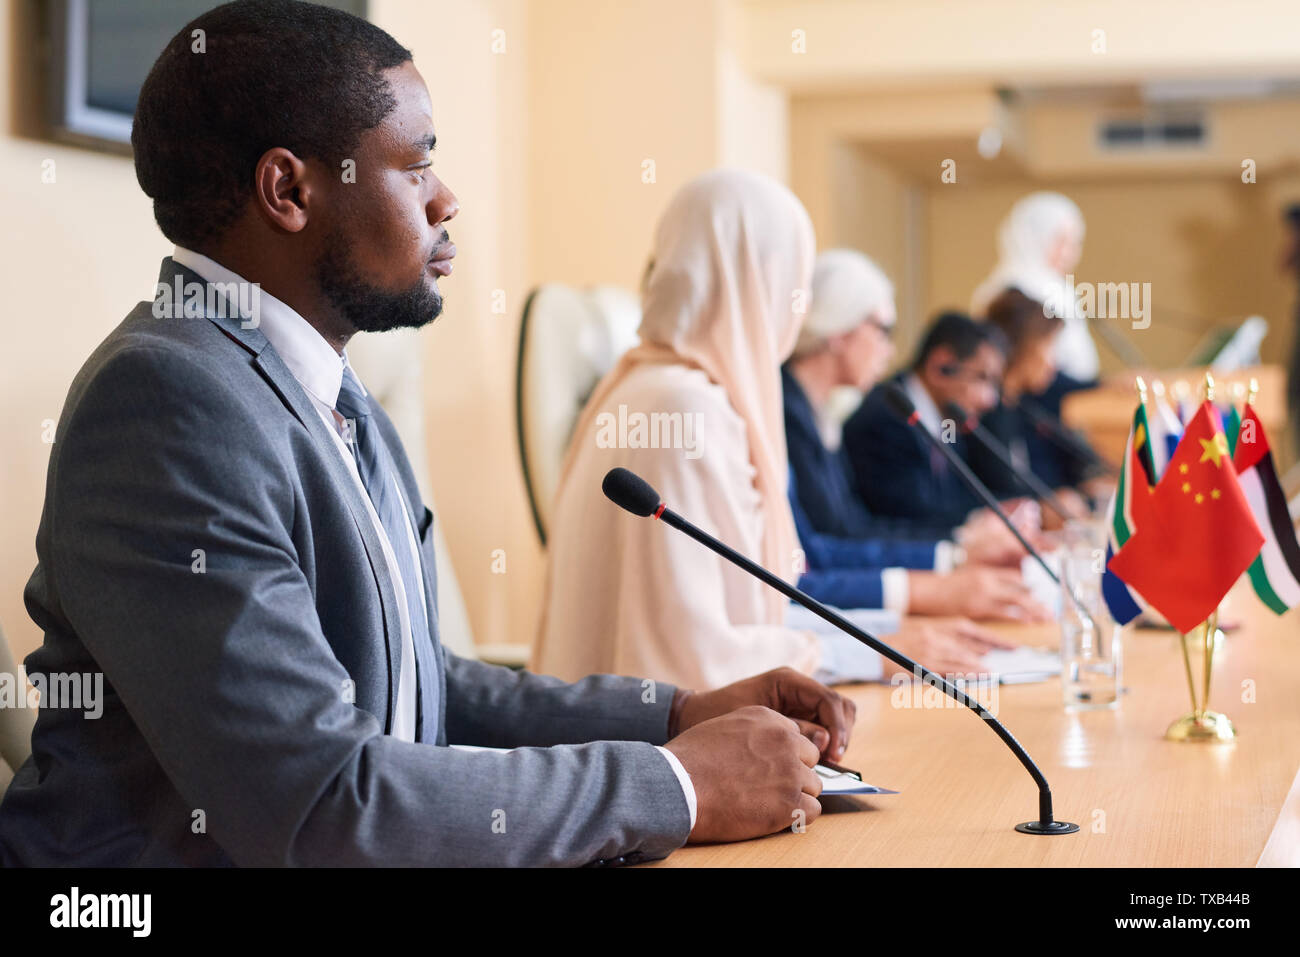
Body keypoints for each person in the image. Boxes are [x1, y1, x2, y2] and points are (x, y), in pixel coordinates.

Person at [0, 0, 858, 867]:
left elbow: (420, 681)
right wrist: (676, 784)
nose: (447, 200)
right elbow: (322, 802)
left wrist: (675, 714)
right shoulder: (165, 399)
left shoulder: (326, 381)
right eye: (416, 168)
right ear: (290, 191)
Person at [534, 171, 1015, 693]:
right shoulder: (683, 411)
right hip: (646, 753)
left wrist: (881, 642)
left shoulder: (649, 386)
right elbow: (698, 657)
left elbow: (746, 620)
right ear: (758, 279)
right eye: (795, 282)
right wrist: (871, 653)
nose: (800, 308)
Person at [784, 250, 1047, 622]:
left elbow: (847, 527)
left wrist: (955, 552)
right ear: (839, 329)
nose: (890, 351)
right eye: (884, 331)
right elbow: (818, 551)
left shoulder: (815, 411)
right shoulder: (787, 410)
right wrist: (948, 563)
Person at [842, 311, 1023, 531]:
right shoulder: (885, 418)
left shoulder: (949, 421)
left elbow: (953, 500)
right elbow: (917, 517)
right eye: (982, 378)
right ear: (940, 367)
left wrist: (1003, 511)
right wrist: (987, 519)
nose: (991, 400)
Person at [979, 288, 1105, 516]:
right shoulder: (982, 413)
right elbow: (989, 493)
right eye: (1049, 345)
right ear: (1021, 347)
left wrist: (1082, 489)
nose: (1053, 363)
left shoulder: (1025, 406)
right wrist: (1041, 509)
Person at [970, 191, 1095, 385]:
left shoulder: (1060, 289)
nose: (1069, 254)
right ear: (1035, 238)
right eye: (1061, 242)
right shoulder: (1011, 290)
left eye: (1074, 244)